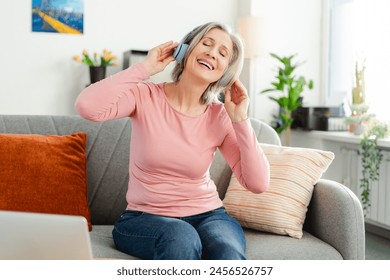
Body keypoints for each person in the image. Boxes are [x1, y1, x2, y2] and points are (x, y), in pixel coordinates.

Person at [75, 22, 270, 260]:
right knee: (181, 237)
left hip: (210, 215)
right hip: (144, 218)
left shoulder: (221, 115)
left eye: (222, 53)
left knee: (227, 252)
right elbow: (87, 107)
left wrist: (240, 119)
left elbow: (258, 183)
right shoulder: (144, 96)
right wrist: (145, 68)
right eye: (206, 44)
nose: (211, 53)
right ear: (185, 49)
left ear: (225, 72)